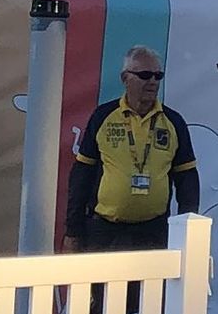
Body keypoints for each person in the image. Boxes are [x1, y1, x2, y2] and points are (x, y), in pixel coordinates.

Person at [64, 45, 200, 254]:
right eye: (145, 75)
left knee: (150, 288)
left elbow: (187, 180)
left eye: (158, 75)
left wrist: (188, 233)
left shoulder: (173, 122)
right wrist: (73, 231)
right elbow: (81, 175)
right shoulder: (103, 116)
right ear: (125, 78)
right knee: (101, 287)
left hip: (152, 232)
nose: (153, 81)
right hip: (104, 230)